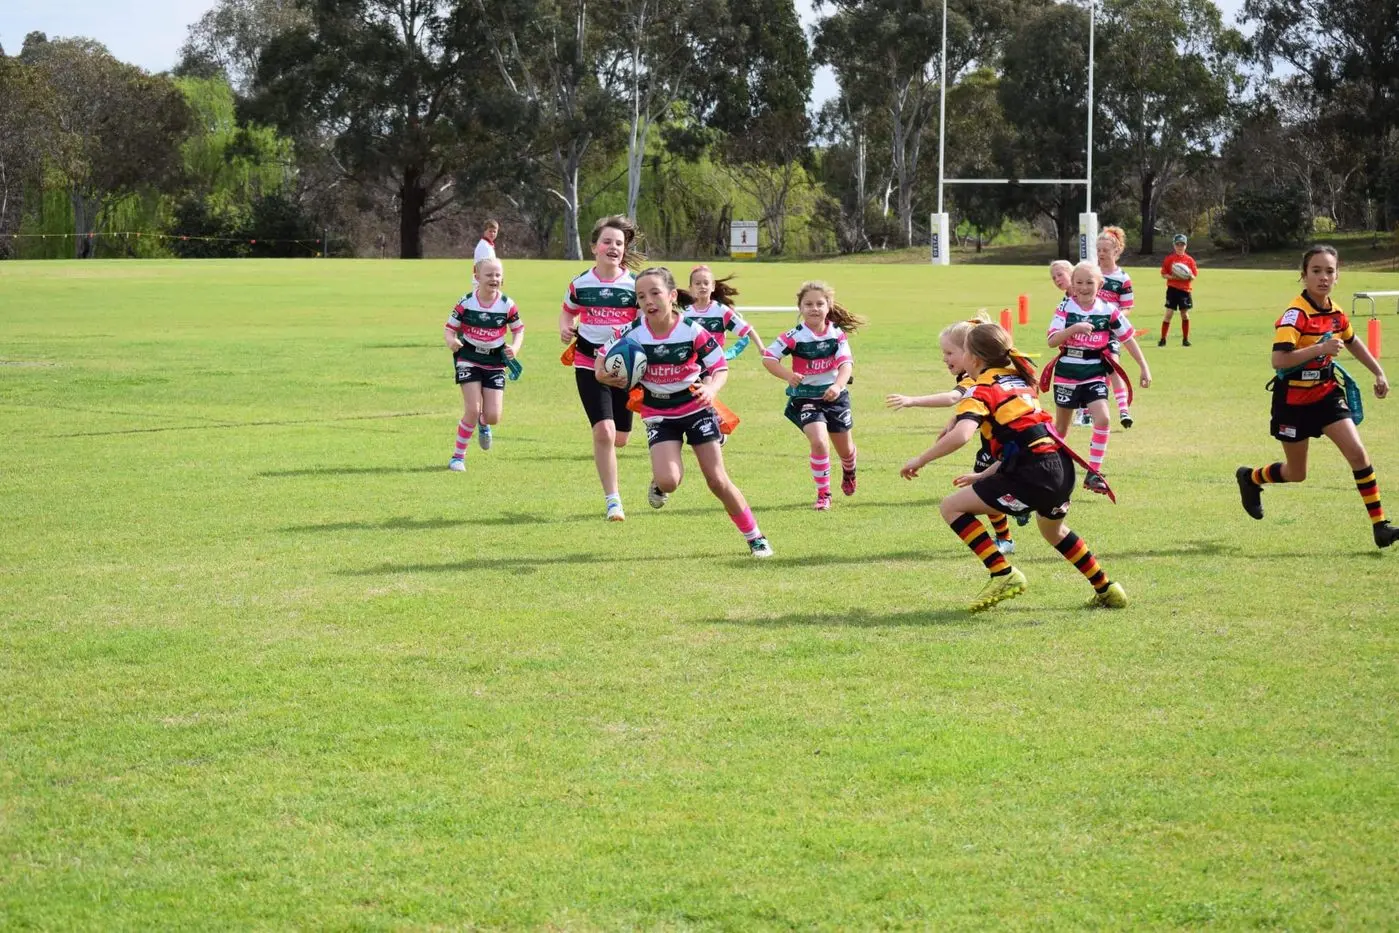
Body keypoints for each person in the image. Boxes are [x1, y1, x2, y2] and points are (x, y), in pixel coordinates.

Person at [900, 323, 1127, 612]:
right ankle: (1107, 589)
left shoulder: (982, 389)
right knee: (1053, 531)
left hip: (1033, 473)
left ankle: (1002, 573)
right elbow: (1022, 437)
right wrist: (984, 475)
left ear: (974, 358)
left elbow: (961, 435)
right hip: (1060, 466)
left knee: (951, 507)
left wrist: (919, 460)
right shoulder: (1019, 378)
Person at [595, 267, 773, 557]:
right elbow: (600, 362)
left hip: (695, 406)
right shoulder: (632, 332)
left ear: (672, 295)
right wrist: (604, 376)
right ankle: (660, 480)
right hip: (658, 411)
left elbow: (719, 367)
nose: (648, 301)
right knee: (669, 481)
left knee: (716, 479)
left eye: (655, 293)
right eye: (641, 296)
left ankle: (755, 536)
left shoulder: (692, 330)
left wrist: (712, 389)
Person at [1236, 245, 1399, 548]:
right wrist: (1319, 349)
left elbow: (1352, 341)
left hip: (1326, 394)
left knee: (1358, 454)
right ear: (1304, 276)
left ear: (1337, 276)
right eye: (1316, 271)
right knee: (1297, 473)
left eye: (1329, 271)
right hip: (1293, 402)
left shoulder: (1336, 313)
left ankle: (1380, 526)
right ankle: (1251, 478)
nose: (1323, 277)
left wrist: (1378, 372)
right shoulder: (1295, 315)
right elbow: (1279, 360)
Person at [887, 313, 1016, 554]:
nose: (944, 359)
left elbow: (953, 398)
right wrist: (956, 418)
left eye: (949, 353)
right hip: (997, 443)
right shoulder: (984, 375)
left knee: (984, 490)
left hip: (1002, 446)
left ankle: (1009, 530)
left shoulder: (973, 378)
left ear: (970, 353)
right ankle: (1006, 536)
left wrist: (912, 400)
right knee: (986, 486)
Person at [559, 215, 645, 521]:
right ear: (594, 247)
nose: (613, 247)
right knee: (605, 432)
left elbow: (648, 320)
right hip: (588, 364)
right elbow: (568, 311)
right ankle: (613, 501)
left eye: (619, 243)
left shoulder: (635, 286)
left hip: (625, 369)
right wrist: (566, 328)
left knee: (620, 437)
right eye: (607, 242)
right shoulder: (580, 284)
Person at [1044, 261, 1152, 493]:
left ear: (1100, 284)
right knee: (1061, 429)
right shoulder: (1065, 307)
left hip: (1094, 371)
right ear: (1072, 285)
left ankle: (1093, 473)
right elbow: (1052, 340)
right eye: (1079, 282)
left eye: (1089, 282)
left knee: (1102, 419)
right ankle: (1047, 468)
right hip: (1067, 373)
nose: (1084, 287)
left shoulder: (1107, 310)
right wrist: (1074, 329)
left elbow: (1128, 338)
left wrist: (1144, 367)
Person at [762, 281, 865, 510]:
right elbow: (769, 358)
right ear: (800, 307)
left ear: (828, 306)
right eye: (808, 304)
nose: (814, 308)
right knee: (819, 442)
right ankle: (823, 493)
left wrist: (838, 386)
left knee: (845, 449)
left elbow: (846, 364)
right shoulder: (794, 336)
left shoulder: (837, 334)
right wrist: (788, 375)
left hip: (835, 397)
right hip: (806, 398)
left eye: (819, 303)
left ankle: (849, 470)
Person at [443, 258, 523, 470]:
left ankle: (484, 422)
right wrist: (451, 341)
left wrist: (514, 348)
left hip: (495, 361)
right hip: (468, 358)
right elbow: (450, 328)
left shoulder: (507, 305)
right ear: (477, 277)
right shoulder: (466, 302)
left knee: (493, 416)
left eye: (497, 275)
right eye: (489, 275)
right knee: (472, 408)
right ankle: (458, 457)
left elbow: (518, 330)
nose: (494, 279)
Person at [1096, 226, 1136, 427]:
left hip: (1110, 331)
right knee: (1092, 372)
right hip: (1090, 332)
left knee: (1113, 366)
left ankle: (1123, 410)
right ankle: (1087, 412)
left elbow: (1127, 307)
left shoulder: (1123, 278)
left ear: (1116, 251)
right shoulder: (1092, 273)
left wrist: (1114, 316)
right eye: (1099, 250)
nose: (1101, 254)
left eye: (1105, 250)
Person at [1158, 233, 1198, 347]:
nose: (1180, 247)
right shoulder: (1170, 259)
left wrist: (1189, 276)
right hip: (1172, 290)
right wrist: (1173, 277)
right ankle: (1163, 339)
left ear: (1186, 246)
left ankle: (1185, 339)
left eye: (1182, 244)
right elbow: (1163, 274)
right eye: (1178, 244)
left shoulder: (1189, 260)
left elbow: (1194, 275)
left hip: (1185, 291)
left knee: (1184, 314)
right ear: (1174, 246)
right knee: (1169, 314)